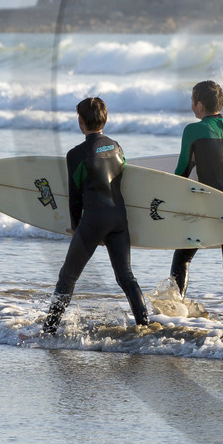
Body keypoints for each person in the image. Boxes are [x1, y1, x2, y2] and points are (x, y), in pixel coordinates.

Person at [40, 97, 150, 335]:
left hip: (94, 220)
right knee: (126, 277)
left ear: (80, 121)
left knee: (67, 277)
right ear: (106, 118)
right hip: (119, 219)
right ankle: (145, 326)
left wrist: (77, 227)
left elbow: (75, 195)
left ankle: (48, 331)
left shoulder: (76, 154)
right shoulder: (116, 147)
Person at [170, 80, 223, 326]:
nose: (192, 106)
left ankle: (176, 317)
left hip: (209, 206)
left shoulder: (192, 131)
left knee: (182, 258)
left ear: (199, 104)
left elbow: (181, 173)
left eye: (192, 101)